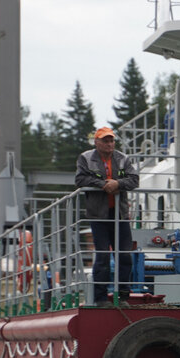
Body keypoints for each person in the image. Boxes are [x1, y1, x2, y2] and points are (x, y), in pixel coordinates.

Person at [75, 127, 139, 306]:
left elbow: (134, 180)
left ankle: (123, 296)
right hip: (99, 215)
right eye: (105, 140)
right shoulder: (86, 158)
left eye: (111, 140)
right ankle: (101, 298)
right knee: (102, 256)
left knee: (125, 255)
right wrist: (104, 184)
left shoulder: (123, 158)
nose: (109, 144)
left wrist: (118, 183)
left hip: (120, 214)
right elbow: (80, 180)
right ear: (96, 142)